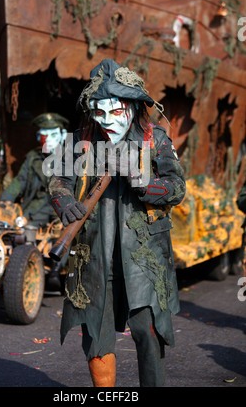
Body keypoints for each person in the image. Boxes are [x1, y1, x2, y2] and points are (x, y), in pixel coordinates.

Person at [49, 59, 186, 387]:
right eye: (100, 111)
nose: (108, 120)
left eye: (117, 111)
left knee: (148, 332)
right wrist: (65, 202)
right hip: (94, 257)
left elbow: (177, 186)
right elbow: (57, 180)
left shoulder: (157, 140)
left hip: (144, 258)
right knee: (96, 337)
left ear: (133, 106)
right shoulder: (78, 142)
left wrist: (144, 183)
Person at [0, 112, 69, 291]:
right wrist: (4, 202)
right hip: (36, 209)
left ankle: (57, 269)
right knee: (19, 234)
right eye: (44, 135)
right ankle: (17, 270)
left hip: (62, 209)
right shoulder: (33, 157)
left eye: (53, 135)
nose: (48, 140)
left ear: (62, 135)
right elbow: (19, 182)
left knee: (68, 234)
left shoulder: (74, 156)